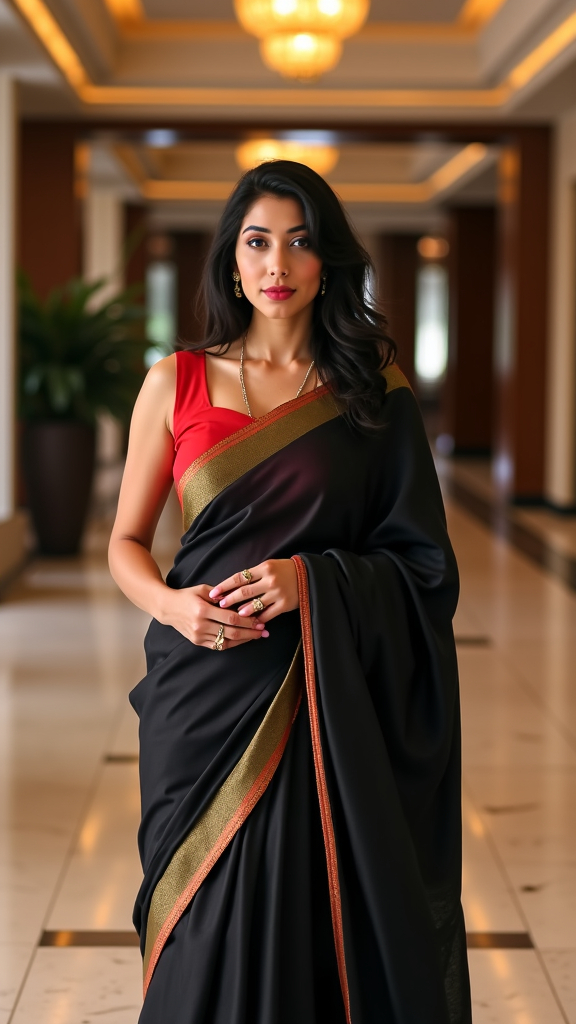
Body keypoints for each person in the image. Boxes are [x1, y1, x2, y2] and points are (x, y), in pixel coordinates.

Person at [108, 160, 472, 1024]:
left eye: (300, 243)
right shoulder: (176, 381)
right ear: (232, 260)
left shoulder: (375, 399)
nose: (277, 263)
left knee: (317, 907)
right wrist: (173, 605)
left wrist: (311, 580)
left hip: (327, 695)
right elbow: (124, 543)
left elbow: (425, 567)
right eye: (258, 241)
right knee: (199, 912)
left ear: (328, 262)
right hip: (202, 691)